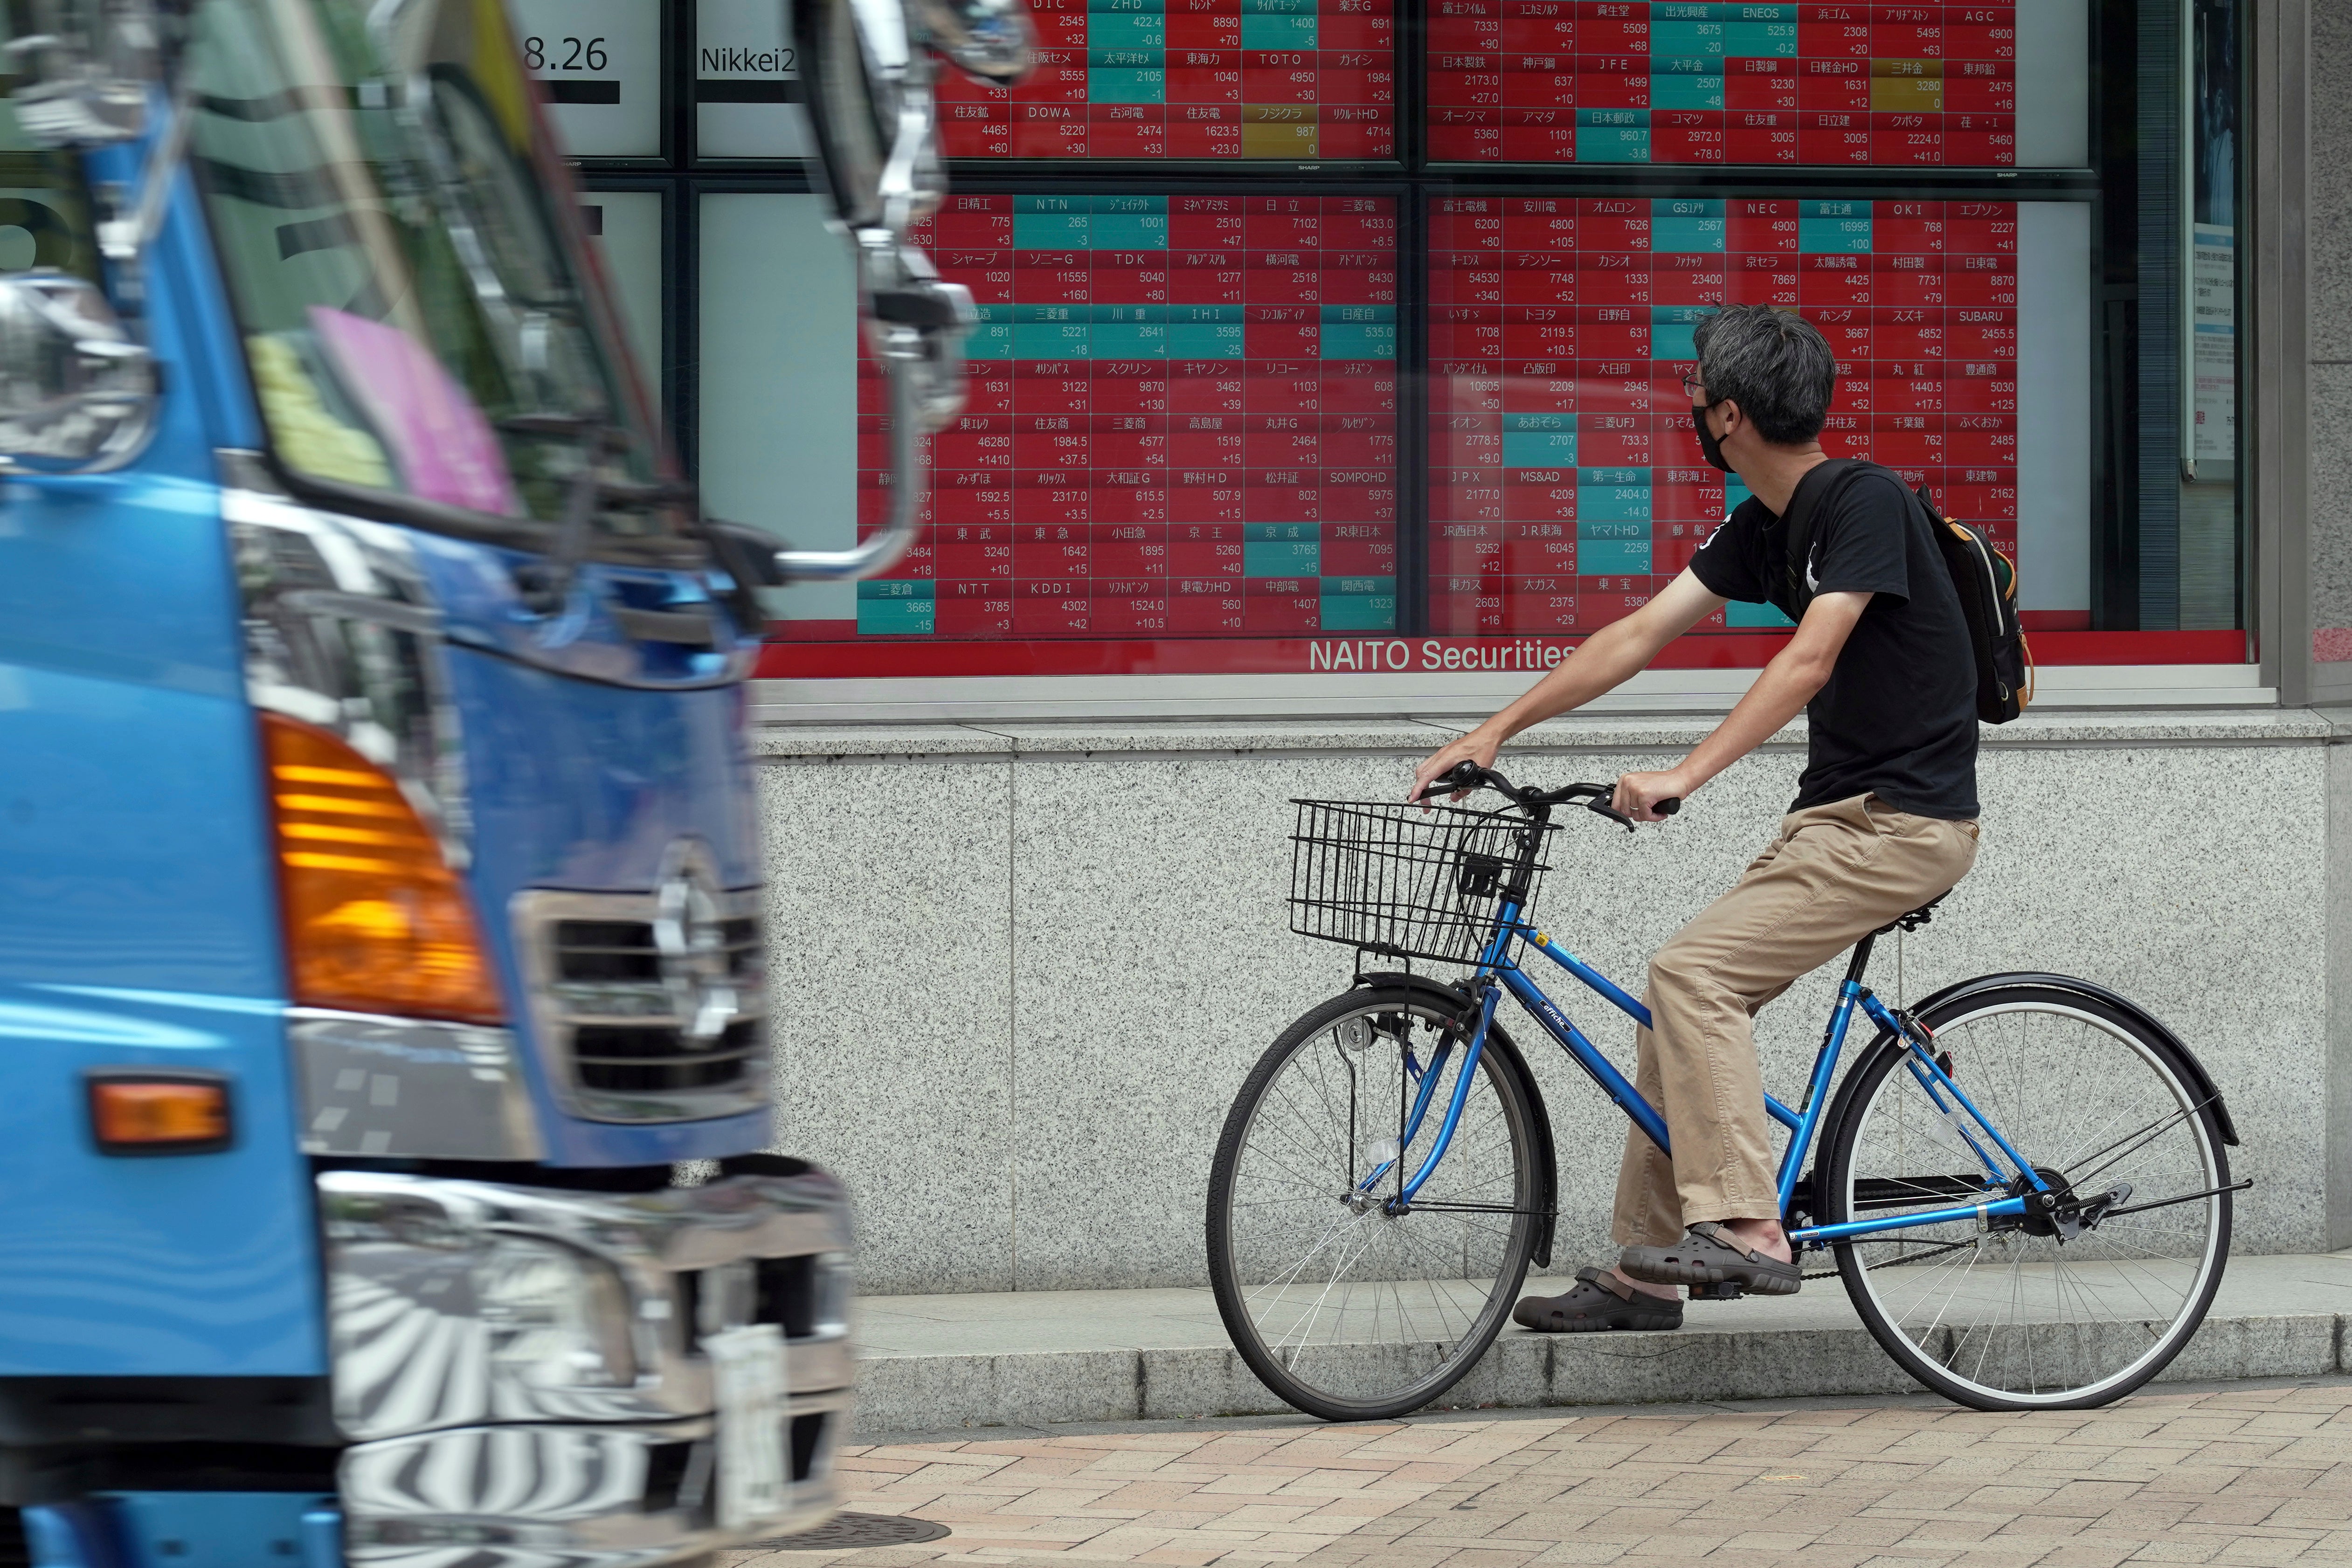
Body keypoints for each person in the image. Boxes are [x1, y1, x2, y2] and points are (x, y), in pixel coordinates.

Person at [1410, 303, 1984, 1332]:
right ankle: (1644, 1274)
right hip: (1835, 823)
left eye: (1690, 389)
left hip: (1902, 823)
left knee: (1692, 975)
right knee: (1674, 991)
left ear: (1725, 414)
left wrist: (1687, 773)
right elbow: (1635, 633)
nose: (1683, 403)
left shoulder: (1862, 501)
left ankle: (1749, 1230)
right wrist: (1495, 729)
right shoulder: (1765, 523)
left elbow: (1808, 657)